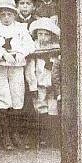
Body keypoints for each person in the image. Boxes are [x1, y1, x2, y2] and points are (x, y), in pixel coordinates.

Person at [0, 0, 35, 150]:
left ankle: (14, 133)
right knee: (2, 97)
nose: (6, 17)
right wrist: (1, 53)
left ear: (14, 14)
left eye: (9, 14)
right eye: (3, 14)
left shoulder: (20, 28)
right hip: (0, 67)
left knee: (17, 97)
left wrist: (21, 53)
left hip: (17, 66)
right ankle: (4, 135)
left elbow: (31, 46)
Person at [26, 18, 61, 147]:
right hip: (39, 85)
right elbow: (30, 69)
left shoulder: (55, 48)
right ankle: (43, 138)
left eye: (46, 34)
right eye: (40, 34)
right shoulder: (34, 48)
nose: (43, 37)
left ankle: (54, 137)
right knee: (41, 110)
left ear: (51, 35)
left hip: (52, 85)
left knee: (53, 109)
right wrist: (32, 85)